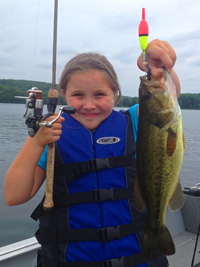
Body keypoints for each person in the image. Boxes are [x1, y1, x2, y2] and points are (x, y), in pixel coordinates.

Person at [4, 39, 180, 267]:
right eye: (78, 95)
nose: (88, 105)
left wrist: (157, 67)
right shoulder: (52, 135)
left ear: (115, 94)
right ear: (65, 94)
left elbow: (167, 97)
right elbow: (13, 196)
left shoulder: (137, 120)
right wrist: (36, 142)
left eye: (99, 95)